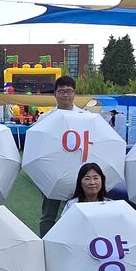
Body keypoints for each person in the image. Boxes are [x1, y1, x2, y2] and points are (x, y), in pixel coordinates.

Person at [38, 76, 88, 237]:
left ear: (74, 93)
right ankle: (45, 244)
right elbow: (38, 146)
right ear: (55, 94)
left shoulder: (85, 117)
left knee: (78, 213)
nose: (65, 95)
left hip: (77, 172)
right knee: (48, 215)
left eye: (69, 91)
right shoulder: (45, 118)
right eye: (61, 91)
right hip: (52, 173)